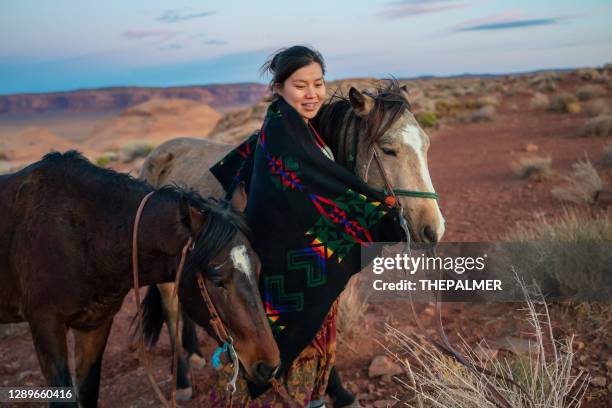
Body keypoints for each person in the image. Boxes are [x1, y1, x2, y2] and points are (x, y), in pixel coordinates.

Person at [209, 45, 401, 407]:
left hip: (305, 264)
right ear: (279, 88)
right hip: (288, 271)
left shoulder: (300, 128)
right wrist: (378, 213)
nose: (312, 93)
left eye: (318, 83)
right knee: (296, 352)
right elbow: (318, 195)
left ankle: (312, 397)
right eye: (300, 85)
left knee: (315, 343)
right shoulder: (284, 136)